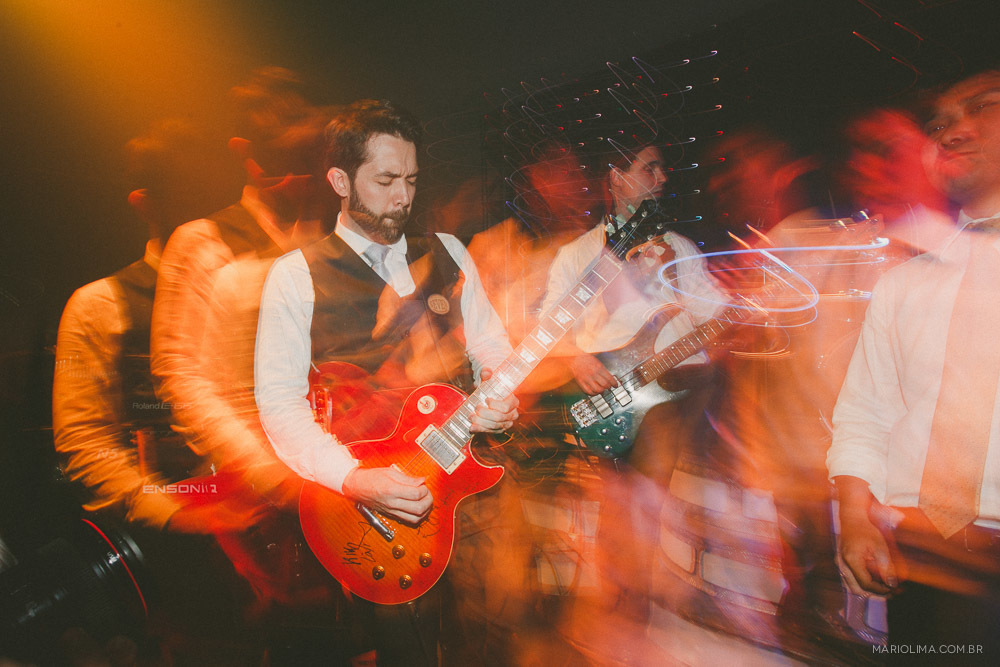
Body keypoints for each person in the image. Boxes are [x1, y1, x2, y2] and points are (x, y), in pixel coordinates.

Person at [254, 99, 519, 665]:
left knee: (495, 641)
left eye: (412, 180)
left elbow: (493, 347)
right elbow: (278, 405)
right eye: (386, 180)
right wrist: (352, 480)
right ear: (339, 180)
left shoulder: (446, 252)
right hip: (382, 512)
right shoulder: (295, 276)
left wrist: (499, 394)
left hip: (475, 490)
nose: (403, 195)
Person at [828, 68, 1000, 657]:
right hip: (923, 559)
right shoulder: (904, 285)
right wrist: (853, 519)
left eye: (984, 107)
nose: (953, 131)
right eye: (940, 123)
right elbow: (864, 411)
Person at [538, 140, 726, 657]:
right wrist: (577, 357)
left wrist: (679, 283)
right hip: (612, 392)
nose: (662, 176)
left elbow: (717, 312)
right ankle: (616, 616)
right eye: (649, 168)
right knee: (617, 504)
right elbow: (549, 324)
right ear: (616, 178)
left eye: (662, 167)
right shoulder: (577, 254)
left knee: (641, 503)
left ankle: (633, 618)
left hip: (676, 391)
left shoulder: (680, 248)